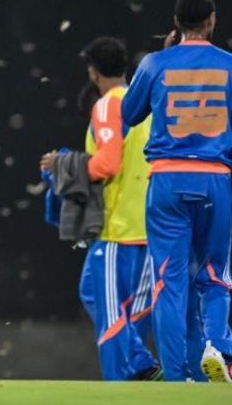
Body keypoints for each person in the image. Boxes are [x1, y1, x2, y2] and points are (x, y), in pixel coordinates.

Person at [121, 0, 232, 382]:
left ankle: (176, 372)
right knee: (215, 274)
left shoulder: (154, 64)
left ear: (175, 23)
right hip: (215, 180)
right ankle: (216, 349)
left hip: (166, 180)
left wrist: (162, 59)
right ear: (212, 20)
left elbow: (130, 114)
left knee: (168, 279)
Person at [41, 37, 159, 381]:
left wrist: (64, 164)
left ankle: (130, 375)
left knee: (108, 314)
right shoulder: (146, 103)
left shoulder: (109, 105)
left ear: (93, 72)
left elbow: (107, 164)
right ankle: (143, 368)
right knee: (123, 310)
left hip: (117, 229)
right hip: (152, 228)